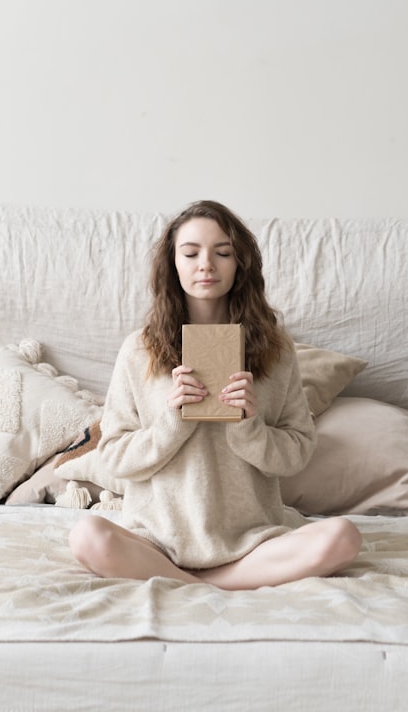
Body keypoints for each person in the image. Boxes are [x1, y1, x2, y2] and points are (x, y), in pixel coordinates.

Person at [68, 200, 362, 590]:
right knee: (86, 537)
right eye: (190, 253)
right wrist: (171, 421)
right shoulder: (139, 350)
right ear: (172, 263)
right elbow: (114, 456)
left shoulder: (277, 350)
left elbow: (297, 452)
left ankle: (190, 583)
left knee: (343, 538)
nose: (205, 264)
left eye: (223, 253)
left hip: (252, 539)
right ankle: (219, 583)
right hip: (157, 539)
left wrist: (249, 426)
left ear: (240, 263)